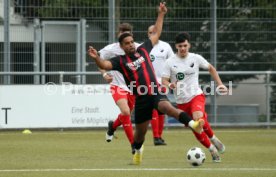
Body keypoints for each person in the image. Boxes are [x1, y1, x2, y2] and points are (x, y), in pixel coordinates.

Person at [88, 2, 204, 165]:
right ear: (122, 46)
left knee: (168, 108)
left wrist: (161, 14)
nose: (130, 45)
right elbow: (104, 65)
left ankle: (193, 124)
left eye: (132, 41)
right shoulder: (119, 61)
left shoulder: (143, 49)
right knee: (140, 135)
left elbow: (156, 32)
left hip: (155, 91)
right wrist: (97, 58)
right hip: (141, 98)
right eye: (127, 43)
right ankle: (137, 152)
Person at [162, 32, 227, 162]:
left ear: (189, 45)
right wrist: (170, 85)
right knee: (196, 127)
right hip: (181, 101)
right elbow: (164, 80)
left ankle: (213, 139)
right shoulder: (170, 62)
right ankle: (212, 149)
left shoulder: (195, 58)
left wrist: (220, 84)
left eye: (185, 45)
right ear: (176, 46)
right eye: (180, 46)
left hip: (196, 95)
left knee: (198, 117)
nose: (183, 48)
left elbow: (211, 68)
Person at [98, 23, 140, 155]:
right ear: (118, 35)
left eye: (127, 33)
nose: (124, 36)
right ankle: (133, 144)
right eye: (122, 33)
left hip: (133, 87)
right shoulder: (111, 49)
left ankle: (113, 127)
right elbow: (98, 58)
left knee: (126, 114)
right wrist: (104, 74)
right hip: (117, 86)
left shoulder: (138, 48)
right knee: (126, 112)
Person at [147, 25, 174, 146]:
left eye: (154, 32)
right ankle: (156, 136)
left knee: (162, 109)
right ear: (147, 34)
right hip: (149, 82)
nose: (152, 34)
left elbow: (173, 63)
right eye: (150, 32)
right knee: (154, 108)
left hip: (163, 82)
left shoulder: (166, 46)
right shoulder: (144, 47)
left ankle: (159, 136)